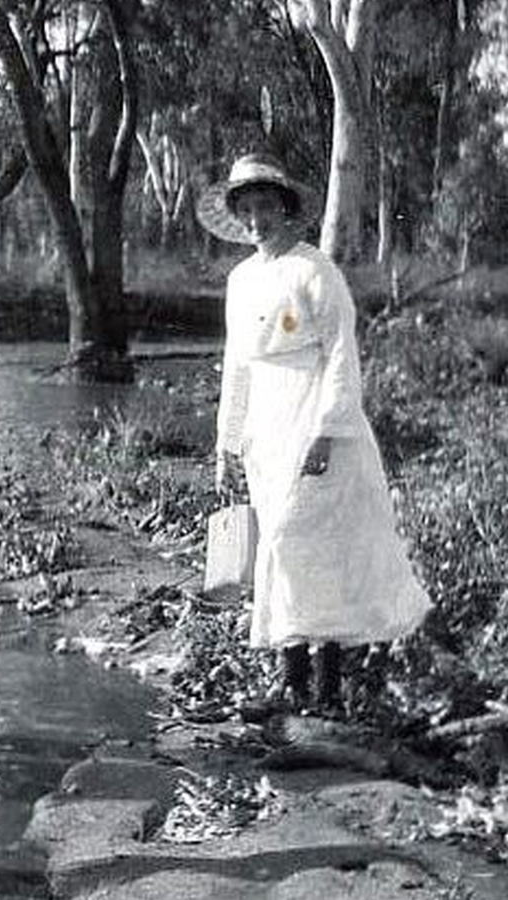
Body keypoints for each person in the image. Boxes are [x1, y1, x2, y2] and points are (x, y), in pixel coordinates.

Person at [198, 153, 431, 717]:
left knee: (316, 546)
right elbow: (238, 365)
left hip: (314, 420)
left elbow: (340, 356)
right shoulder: (241, 280)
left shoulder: (314, 271)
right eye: (246, 210)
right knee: (278, 546)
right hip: (266, 430)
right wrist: (228, 443)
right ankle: (291, 681)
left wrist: (327, 432)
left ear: (285, 210)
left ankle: (327, 690)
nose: (257, 220)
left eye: (265, 207)